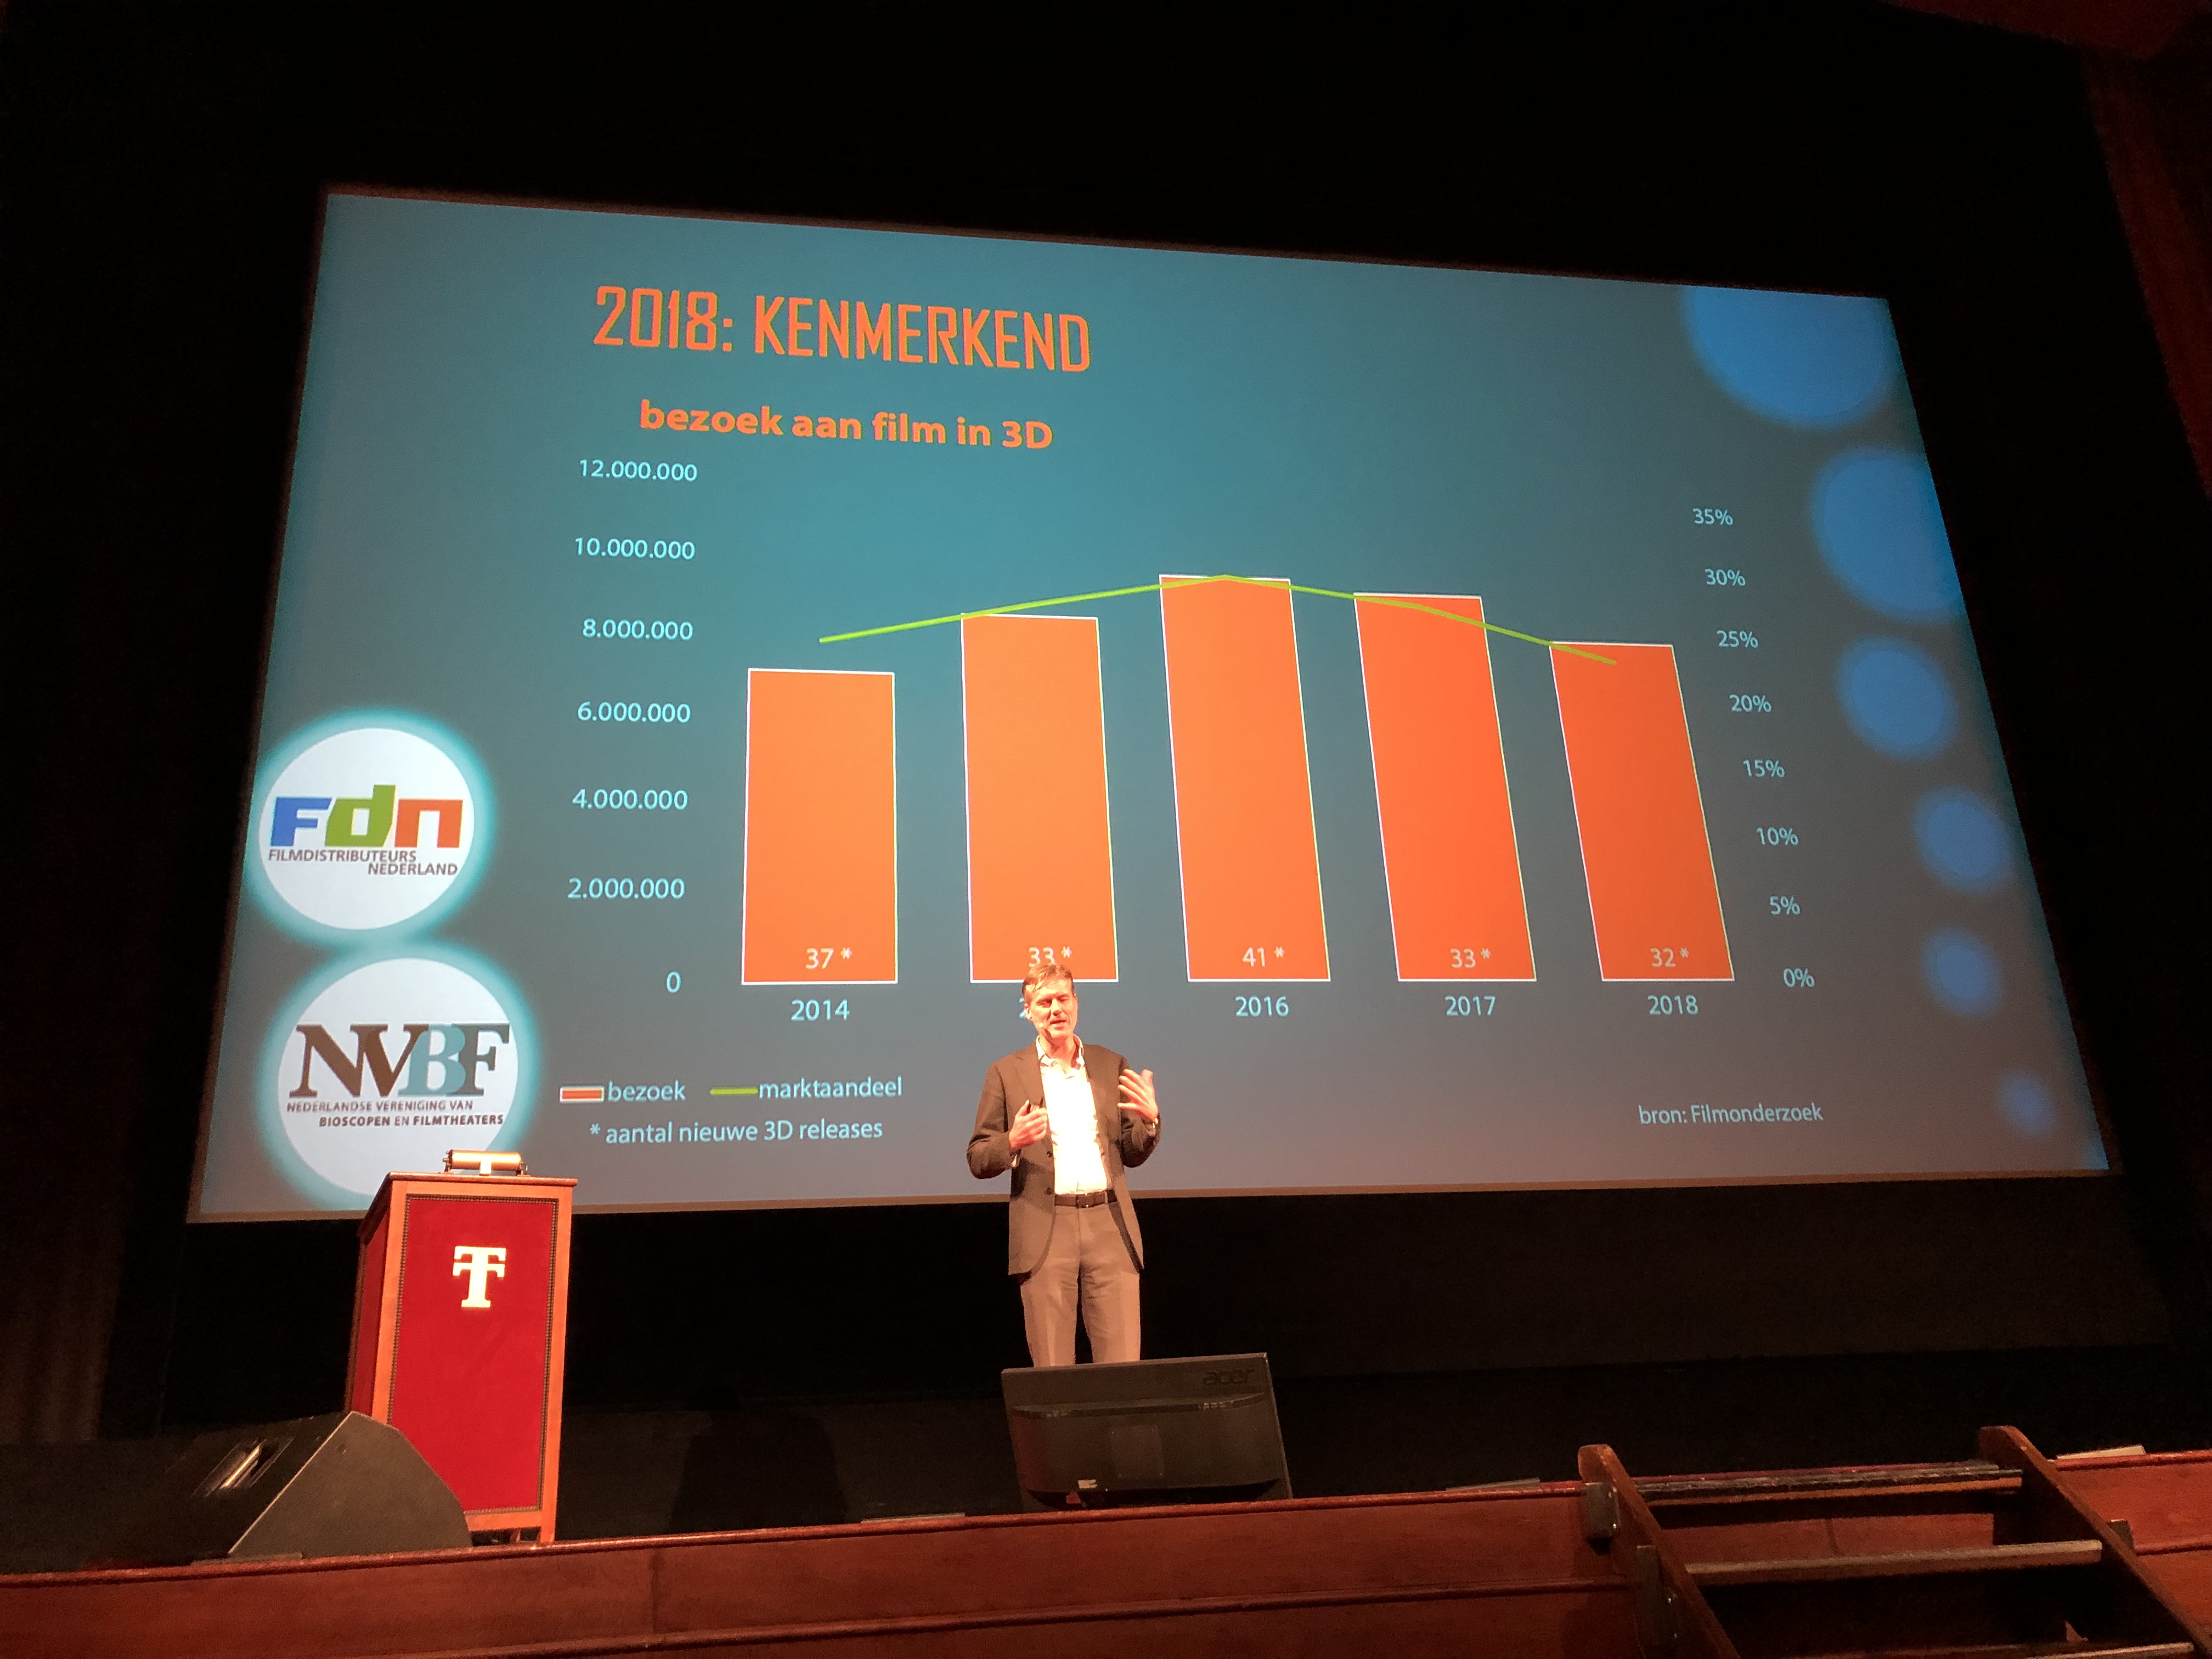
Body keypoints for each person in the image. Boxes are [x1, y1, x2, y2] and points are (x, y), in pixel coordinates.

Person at [967, 963, 1161, 1367]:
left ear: (1076, 1003)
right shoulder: (1006, 1072)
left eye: (1062, 999)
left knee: (1123, 1368)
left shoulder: (1110, 1064)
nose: (1055, 1009)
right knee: (1053, 1373)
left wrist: (1150, 1122)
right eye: (1044, 1002)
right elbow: (979, 1157)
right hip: (1046, 1226)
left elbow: (1132, 1153)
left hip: (1109, 1224)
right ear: (1028, 1012)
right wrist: (1013, 1141)